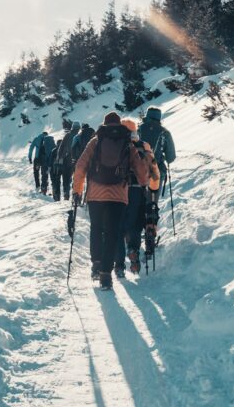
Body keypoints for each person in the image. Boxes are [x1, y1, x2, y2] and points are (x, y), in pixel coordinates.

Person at [72, 112, 150, 290]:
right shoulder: (127, 142)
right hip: (118, 196)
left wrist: (77, 189)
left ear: (105, 124)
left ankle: (96, 265)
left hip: (95, 195)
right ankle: (106, 275)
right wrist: (144, 182)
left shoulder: (96, 141)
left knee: (96, 229)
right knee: (112, 233)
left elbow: (80, 166)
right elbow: (140, 169)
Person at [114, 119, 161, 277]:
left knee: (118, 228)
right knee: (136, 225)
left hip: (118, 191)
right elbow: (154, 172)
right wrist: (153, 189)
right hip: (138, 191)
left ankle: (119, 265)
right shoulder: (144, 146)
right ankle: (133, 249)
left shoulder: (115, 145)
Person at [139, 107, 176, 199]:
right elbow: (171, 157)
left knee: (137, 202)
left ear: (147, 116)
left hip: (138, 171)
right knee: (152, 203)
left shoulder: (139, 130)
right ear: (159, 117)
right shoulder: (164, 132)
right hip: (156, 171)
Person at [52, 121, 80, 201]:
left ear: (72, 127)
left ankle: (66, 193)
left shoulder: (68, 135)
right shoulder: (80, 135)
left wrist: (59, 158)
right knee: (76, 177)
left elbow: (61, 147)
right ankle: (76, 194)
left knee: (66, 177)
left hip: (67, 160)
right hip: (78, 160)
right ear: (79, 128)